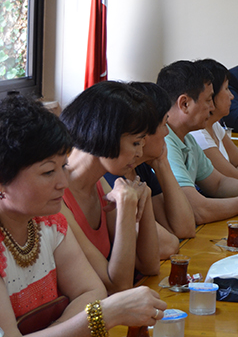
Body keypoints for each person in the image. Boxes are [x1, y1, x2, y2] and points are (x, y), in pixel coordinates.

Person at [0, 95, 166, 336]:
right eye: (48, 172)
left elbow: (91, 291)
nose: (62, 182)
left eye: (63, 167)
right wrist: (105, 315)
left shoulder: (49, 222)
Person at [59, 81, 160, 294]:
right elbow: (117, 286)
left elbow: (149, 265)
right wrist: (126, 205)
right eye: (135, 143)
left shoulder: (98, 182)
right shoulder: (56, 197)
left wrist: (145, 195)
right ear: (104, 134)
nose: (140, 153)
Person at [157, 60, 238, 225]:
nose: (212, 107)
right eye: (208, 100)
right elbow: (198, 210)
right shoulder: (164, 143)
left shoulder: (187, 138)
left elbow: (219, 183)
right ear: (184, 104)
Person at [104, 82, 197, 250]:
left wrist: (162, 164)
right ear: (143, 132)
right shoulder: (111, 175)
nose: (167, 132)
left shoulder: (142, 167)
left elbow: (185, 228)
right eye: (164, 124)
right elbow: (166, 245)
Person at [190, 59, 238, 182]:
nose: (231, 96)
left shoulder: (214, 125)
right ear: (211, 94)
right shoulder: (198, 135)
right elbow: (232, 180)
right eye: (226, 89)